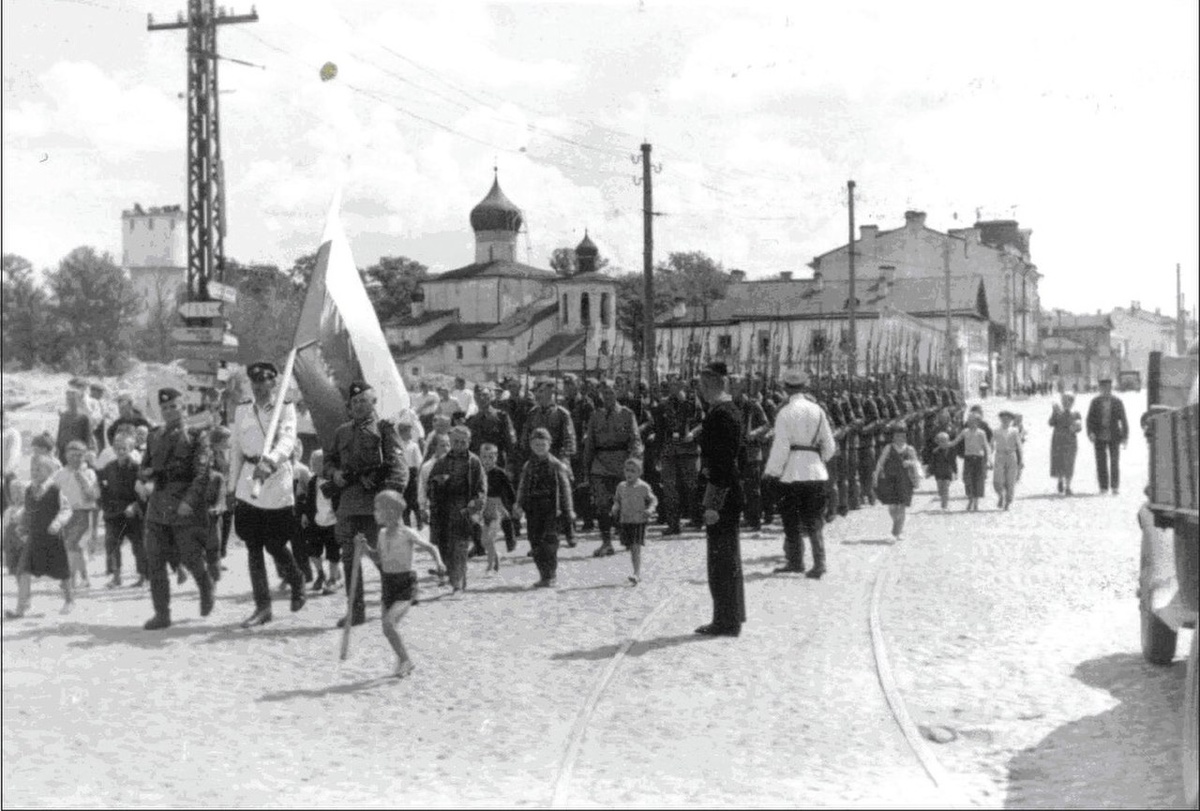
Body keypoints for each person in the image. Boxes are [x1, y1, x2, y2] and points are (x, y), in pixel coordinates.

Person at [228, 362, 307, 628]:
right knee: (252, 546)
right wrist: (231, 488)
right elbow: (236, 450)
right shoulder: (242, 410)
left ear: (274, 383)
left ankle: (296, 578)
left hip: (275, 482)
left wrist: (270, 460)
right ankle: (263, 607)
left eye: (264, 382)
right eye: (255, 382)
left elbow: (287, 440)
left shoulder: (285, 407)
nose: (259, 387)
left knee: (274, 544)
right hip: (249, 482)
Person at [325, 381, 409, 627]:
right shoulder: (342, 432)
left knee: (383, 557)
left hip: (376, 507)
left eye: (364, 401)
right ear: (349, 407)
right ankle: (356, 611)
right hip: (349, 505)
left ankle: (394, 600)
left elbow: (399, 467)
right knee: (350, 560)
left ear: (374, 403)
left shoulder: (384, 430)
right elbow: (328, 461)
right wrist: (334, 474)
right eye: (354, 402)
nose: (359, 405)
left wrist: (390, 499)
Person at [138, 388, 215, 630]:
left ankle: (205, 585)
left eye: (174, 406)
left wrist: (189, 502)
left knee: (191, 557)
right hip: (158, 504)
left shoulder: (195, 435)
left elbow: (202, 474)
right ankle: (162, 614)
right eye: (165, 408)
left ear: (183, 408)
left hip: (183, 505)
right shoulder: (154, 435)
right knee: (155, 560)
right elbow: (144, 466)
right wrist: (146, 473)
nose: (170, 411)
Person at [763, 369, 837, 579]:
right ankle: (819, 562)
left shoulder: (784, 412)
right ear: (805, 387)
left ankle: (796, 561)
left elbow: (781, 447)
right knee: (814, 519)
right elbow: (829, 445)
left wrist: (772, 472)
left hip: (791, 472)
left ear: (785, 388)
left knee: (791, 519)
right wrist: (818, 460)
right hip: (815, 471)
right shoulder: (817, 410)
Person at [693, 362, 746, 636]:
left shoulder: (722, 414)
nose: (700, 390)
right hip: (726, 491)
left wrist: (713, 503)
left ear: (712, 383)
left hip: (721, 494)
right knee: (727, 557)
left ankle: (726, 620)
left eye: (702, 384)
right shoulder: (724, 410)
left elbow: (723, 463)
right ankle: (731, 615)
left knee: (722, 560)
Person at [370, 489, 445, 679]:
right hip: (388, 583)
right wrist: (364, 549)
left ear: (392, 512)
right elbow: (378, 558)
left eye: (378, 509)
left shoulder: (407, 533)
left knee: (389, 624)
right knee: (387, 629)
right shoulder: (381, 533)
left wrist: (439, 562)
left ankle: (406, 660)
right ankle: (402, 659)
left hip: (405, 584)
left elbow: (431, 547)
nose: (375, 513)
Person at [5, 455, 74, 618]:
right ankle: (21, 608)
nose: (34, 472)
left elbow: (66, 510)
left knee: (61, 570)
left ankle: (69, 600)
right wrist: (22, 526)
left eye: (38, 469)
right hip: (34, 538)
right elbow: (29, 511)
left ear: (49, 471)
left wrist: (58, 523)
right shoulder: (29, 490)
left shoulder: (55, 490)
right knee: (23, 570)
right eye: (32, 470)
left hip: (52, 537)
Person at [583, 380, 642, 557]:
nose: (607, 397)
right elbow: (590, 444)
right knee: (602, 505)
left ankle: (629, 539)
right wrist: (587, 469)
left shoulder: (626, 414)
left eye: (610, 393)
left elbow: (635, 440)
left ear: (617, 393)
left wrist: (634, 463)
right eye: (604, 393)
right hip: (600, 464)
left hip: (621, 464)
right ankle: (606, 542)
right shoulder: (596, 415)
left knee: (625, 504)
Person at [427, 425, 486, 596]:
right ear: (450, 442)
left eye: (463, 442)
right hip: (444, 511)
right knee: (445, 548)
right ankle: (454, 578)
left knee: (460, 547)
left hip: (464, 509)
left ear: (469, 442)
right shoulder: (441, 462)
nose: (459, 445)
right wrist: (438, 483)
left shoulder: (474, 462)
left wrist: (474, 509)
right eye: (456, 442)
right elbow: (430, 485)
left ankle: (458, 583)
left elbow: (481, 487)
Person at [514, 427, 574, 589]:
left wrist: (568, 510)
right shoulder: (529, 465)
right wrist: (519, 504)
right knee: (535, 541)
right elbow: (522, 486)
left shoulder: (556, 465)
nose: (539, 447)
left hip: (551, 510)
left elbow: (565, 489)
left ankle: (550, 575)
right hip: (533, 509)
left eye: (542, 444)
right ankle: (543, 574)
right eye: (536, 444)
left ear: (549, 444)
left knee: (550, 543)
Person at [654, 377, 703, 536]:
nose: (673, 386)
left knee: (691, 487)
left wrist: (693, 434)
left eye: (676, 383)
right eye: (671, 383)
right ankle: (673, 524)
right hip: (669, 450)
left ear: (683, 384)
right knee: (669, 488)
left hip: (688, 449)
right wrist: (657, 454)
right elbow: (659, 431)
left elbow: (702, 423)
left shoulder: (692, 401)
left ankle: (696, 519)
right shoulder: (663, 404)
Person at [98, 433, 146, 588]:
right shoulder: (109, 467)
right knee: (112, 544)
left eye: (124, 446)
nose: (120, 449)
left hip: (133, 514)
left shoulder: (137, 468)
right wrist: (104, 506)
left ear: (131, 448)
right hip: (114, 513)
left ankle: (143, 576)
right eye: (117, 446)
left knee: (138, 546)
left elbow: (143, 492)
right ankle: (116, 577)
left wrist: (136, 506)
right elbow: (102, 487)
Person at [53, 440, 100, 589]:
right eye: (72, 455)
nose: (76, 459)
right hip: (65, 514)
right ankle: (85, 578)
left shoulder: (89, 473)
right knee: (75, 548)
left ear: (85, 456)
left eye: (80, 455)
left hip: (83, 513)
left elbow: (93, 495)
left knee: (71, 544)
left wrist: (83, 479)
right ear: (66, 455)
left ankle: (70, 578)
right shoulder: (59, 474)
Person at [611, 457, 657, 585]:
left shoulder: (643, 487)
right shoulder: (621, 486)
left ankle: (636, 574)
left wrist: (650, 510)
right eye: (627, 470)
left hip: (639, 521)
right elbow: (617, 500)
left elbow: (653, 500)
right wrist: (615, 507)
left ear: (639, 473)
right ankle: (636, 571)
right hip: (625, 521)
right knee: (630, 547)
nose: (629, 473)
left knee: (636, 548)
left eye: (633, 471)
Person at [301, 449, 341, 595]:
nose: (313, 466)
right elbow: (309, 499)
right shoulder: (312, 481)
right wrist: (305, 514)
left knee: (333, 552)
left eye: (317, 463)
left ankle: (333, 579)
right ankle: (320, 574)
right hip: (316, 521)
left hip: (332, 522)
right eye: (313, 463)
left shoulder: (334, 481)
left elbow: (340, 501)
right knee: (312, 550)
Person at [872, 424, 922, 540]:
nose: (900, 438)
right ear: (894, 437)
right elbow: (880, 462)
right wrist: (876, 475)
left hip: (905, 482)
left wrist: (909, 463)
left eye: (902, 436)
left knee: (902, 506)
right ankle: (897, 524)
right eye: (897, 436)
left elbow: (916, 463)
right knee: (892, 507)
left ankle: (896, 531)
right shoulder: (888, 448)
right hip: (891, 481)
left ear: (905, 437)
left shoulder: (910, 449)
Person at [1085, 377, 1129, 495]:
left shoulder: (1117, 402)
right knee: (1101, 462)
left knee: (1114, 462)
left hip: (1114, 436)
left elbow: (1123, 420)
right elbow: (1089, 419)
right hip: (1099, 436)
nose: (1106, 390)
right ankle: (1103, 487)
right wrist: (1090, 433)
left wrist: (1125, 436)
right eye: (1103, 388)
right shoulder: (1095, 402)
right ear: (1100, 389)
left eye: (1108, 388)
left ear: (1111, 388)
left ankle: (1115, 486)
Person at [479, 442, 516, 573]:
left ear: (496, 458)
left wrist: (513, 506)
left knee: (490, 537)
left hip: (496, 507)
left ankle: (489, 566)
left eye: (491, 457)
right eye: (484, 457)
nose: (487, 460)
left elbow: (510, 491)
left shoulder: (500, 473)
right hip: (482, 508)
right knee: (484, 540)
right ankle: (496, 556)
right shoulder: (478, 471)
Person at [949, 410, 991, 512]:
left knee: (978, 480)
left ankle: (976, 502)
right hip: (968, 459)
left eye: (972, 420)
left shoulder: (981, 433)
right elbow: (954, 442)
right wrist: (944, 445)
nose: (970, 422)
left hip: (979, 459)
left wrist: (989, 460)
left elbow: (986, 447)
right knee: (967, 480)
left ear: (978, 422)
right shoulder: (965, 432)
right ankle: (970, 499)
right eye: (969, 420)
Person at [992, 411, 1024, 510]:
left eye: (1008, 419)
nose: (1005, 420)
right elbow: (991, 444)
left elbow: (1019, 445)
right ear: (1000, 419)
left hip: (1011, 456)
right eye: (1003, 418)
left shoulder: (1014, 430)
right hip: (1000, 455)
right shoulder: (996, 431)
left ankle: (1008, 502)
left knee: (1011, 480)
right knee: (998, 480)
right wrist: (988, 458)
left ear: (1011, 420)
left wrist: (1021, 460)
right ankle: (1001, 495)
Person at [928, 431, 958, 510]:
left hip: (948, 472)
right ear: (938, 442)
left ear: (948, 441)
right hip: (938, 473)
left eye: (945, 441)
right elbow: (932, 463)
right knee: (940, 490)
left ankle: (944, 505)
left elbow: (953, 462)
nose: (943, 443)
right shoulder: (935, 452)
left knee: (945, 488)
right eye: (941, 441)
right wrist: (929, 472)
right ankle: (943, 497)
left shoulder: (951, 451)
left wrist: (955, 472)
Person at [2, 411, 21, 513]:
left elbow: (13, 455)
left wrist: (4, 472)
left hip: (7, 476)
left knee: (8, 508)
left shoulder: (12, 433)